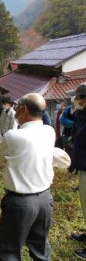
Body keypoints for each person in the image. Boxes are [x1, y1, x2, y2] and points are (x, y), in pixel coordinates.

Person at [0, 93, 56, 261]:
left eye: (17, 107)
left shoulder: (13, 136)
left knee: (9, 252)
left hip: (20, 202)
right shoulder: (49, 131)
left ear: (24, 109)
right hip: (45, 199)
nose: (14, 111)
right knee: (40, 248)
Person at [67, 83, 86, 260]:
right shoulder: (81, 113)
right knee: (84, 203)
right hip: (82, 165)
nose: (75, 100)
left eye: (78, 97)